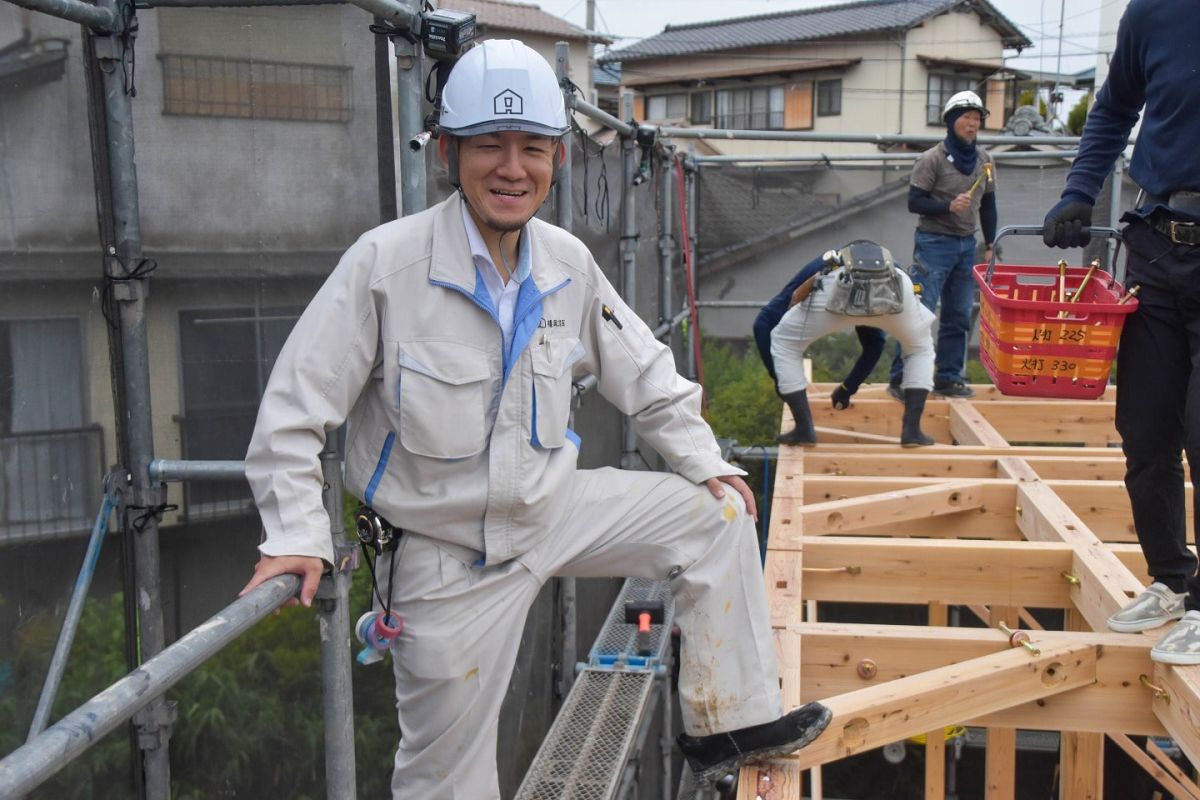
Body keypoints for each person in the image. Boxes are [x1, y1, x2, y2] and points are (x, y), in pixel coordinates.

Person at [237, 39, 830, 797]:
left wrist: (706, 460)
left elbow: (642, 369)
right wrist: (294, 534)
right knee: (446, 781)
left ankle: (727, 724)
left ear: (556, 159)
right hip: (445, 555)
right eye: (489, 145)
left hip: (551, 509)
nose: (512, 168)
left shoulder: (565, 264)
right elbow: (293, 409)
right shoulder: (386, 267)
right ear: (448, 150)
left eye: (534, 149)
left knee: (713, 516)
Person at [1040, 0, 1200, 665]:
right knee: (1146, 428)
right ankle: (1171, 579)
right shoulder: (1157, 11)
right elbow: (1113, 108)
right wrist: (1080, 188)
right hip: (1159, 248)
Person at [770, 241, 936, 447]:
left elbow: (796, 296)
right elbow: (874, 345)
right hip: (894, 288)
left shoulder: (831, 261)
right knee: (920, 350)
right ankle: (912, 431)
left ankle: (804, 429)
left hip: (838, 285)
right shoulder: (894, 266)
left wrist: (848, 387)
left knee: (785, 342)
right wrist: (847, 388)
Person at [888, 90, 997, 401]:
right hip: (934, 242)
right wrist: (947, 206)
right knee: (919, 311)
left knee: (959, 313)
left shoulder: (984, 160)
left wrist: (990, 244)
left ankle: (949, 377)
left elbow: (988, 204)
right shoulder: (931, 159)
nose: (972, 124)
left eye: (977, 119)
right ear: (951, 121)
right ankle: (902, 377)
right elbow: (914, 202)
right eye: (966, 117)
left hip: (966, 244)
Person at [753, 250, 888, 411]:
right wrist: (780, 378)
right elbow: (763, 325)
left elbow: (875, 344)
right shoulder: (825, 275)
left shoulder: (884, 296)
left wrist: (847, 388)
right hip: (846, 268)